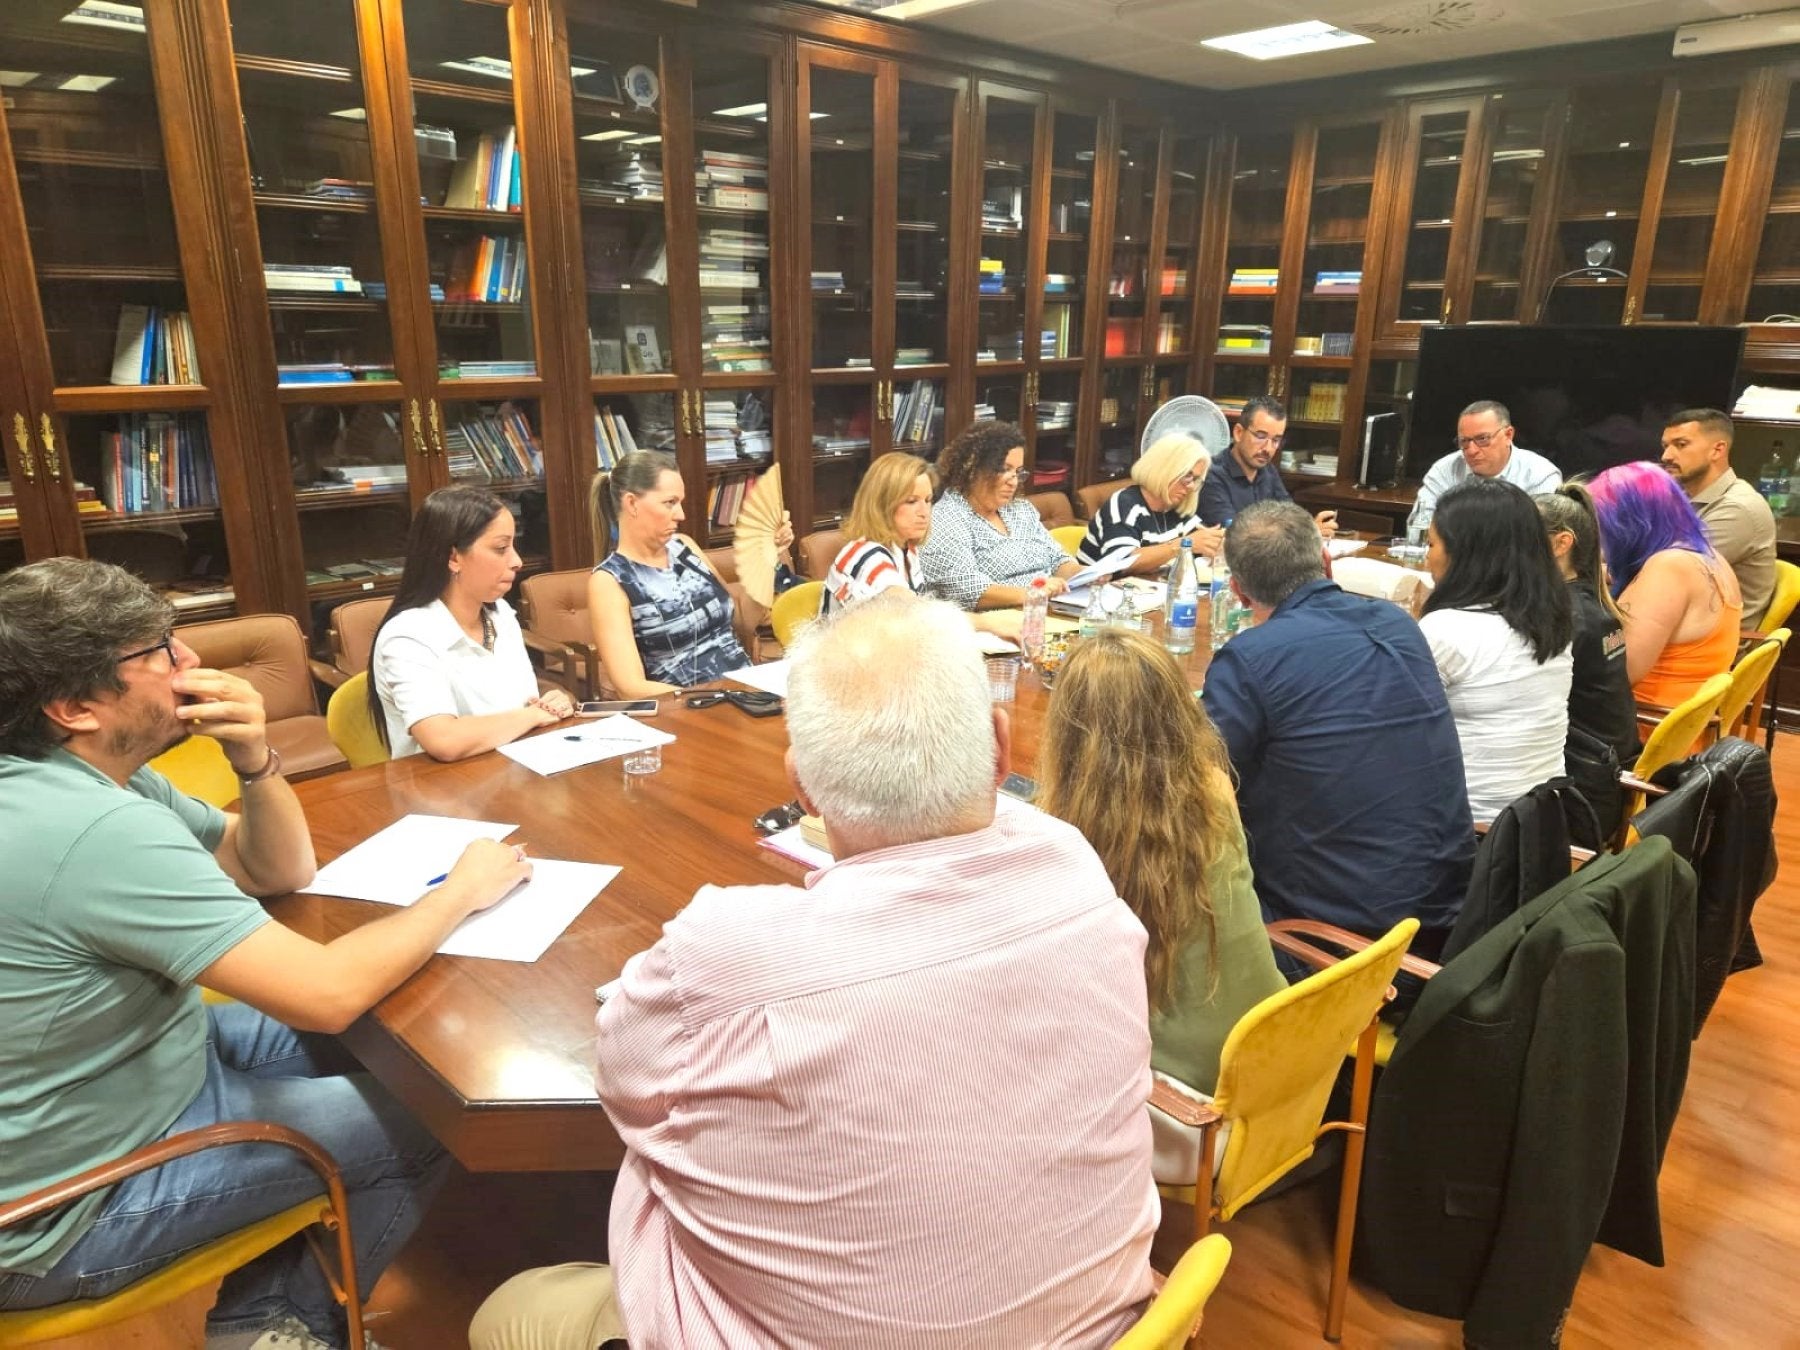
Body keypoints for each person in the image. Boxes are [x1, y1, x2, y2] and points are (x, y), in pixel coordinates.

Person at [470, 594, 1158, 1349]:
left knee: (507, 1311)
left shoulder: (723, 956)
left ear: (802, 788)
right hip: (1105, 1328)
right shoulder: (1073, 868)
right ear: (1000, 746)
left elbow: (631, 1094)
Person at [0, 558, 532, 1350]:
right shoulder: (94, 828)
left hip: (135, 1073)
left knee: (397, 1045)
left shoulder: (90, 778)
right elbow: (324, 992)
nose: (190, 661)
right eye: (160, 651)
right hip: (56, 1213)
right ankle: (277, 1329)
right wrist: (460, 891)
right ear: (75, 706)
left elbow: (276, 870)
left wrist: (254, 758)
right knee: (428, 1113)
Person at [1202, 503, 1474, 952]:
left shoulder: (1250, 657)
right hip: (1447, 921)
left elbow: (1202, 783)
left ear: (1239, 591)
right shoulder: (1399, 624)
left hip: (1331, 942)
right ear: (1326, 563)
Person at [1038, 627, 1284, 1096]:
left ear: (1068, 738)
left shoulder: (1073, 838)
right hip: (1278, 1051)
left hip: (1189, 1102)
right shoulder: (1215, 789)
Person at [369, 485, 573, 759]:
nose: (517, 561)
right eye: (501, 548)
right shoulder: (407, 637)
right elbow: (444, 740)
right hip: (445, 781)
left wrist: (550, 703)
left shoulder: (500, 614)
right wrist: (532, 716)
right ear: (454, 558)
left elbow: (519, 704)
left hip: (515, 765)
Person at [1419, 478, 1574, 822]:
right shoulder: (1552, 614)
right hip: (1541, 818)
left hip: (1468, 825)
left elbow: (1390, 730)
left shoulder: (1447, 629)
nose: (1427, 557)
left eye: (1430, 544)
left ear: (1465, 554)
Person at [588, 450, 791, 696]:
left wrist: (766, 556)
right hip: (687, 706)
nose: (681, 514)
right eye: (669, 503)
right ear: (631, 503)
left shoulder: (684, 546)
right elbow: (631, 687)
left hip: (747, 690)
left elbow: (744, 622)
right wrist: (713, 698)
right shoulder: (609, 581)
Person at [1588, 459, 1744, 708]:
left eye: (1602, 526)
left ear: (1629, 525)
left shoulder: (1667, 568)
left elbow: (1619, 673)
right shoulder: (1704, 554)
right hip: (1684, 718)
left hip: (1647, 720)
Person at [918, 420, 1081, 609]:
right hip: (993, 618)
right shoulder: (947, 518)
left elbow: (1057, 559)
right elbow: (965, 589)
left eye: (1018, 472)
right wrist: (1033, 593)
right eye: (1004, 469)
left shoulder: (1021, 510)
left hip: (1046, 607)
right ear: (972, 467)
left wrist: (1087, 574)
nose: (1014, 482)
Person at [1659, 407, 1777, 628]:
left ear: (1717, 450)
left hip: (1716, 640)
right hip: (1680, 620)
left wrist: (1605, 570)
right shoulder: (1681, 496)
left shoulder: (1738, 509)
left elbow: (1667, 574)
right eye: (1666, 446)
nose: (1667, 456)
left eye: (1681, 445)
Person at [1194, 396, 1338, 538]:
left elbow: (1292, 517)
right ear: (1238, 433)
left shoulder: (1268, 471)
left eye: (1276, 440)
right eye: (1260, 436)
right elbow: (1235, 536)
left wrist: (1310, 529)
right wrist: (1303, 533)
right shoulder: (1211, 474)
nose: (1268, 449)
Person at [1077, 432, 1222, 573]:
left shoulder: (1176, 507)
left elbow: (1203, 544)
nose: (1191, 486)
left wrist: (1218, 544)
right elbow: (1122, 563)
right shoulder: (1124, 504)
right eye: (1187, 475)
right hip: (1093, 587)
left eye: (1196, 479)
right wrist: (1183, 544)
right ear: (1163, 469)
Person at [822, 451, 931, 614]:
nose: (924, 512)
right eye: (911, 501)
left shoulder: (907, 548)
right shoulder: (867, 556)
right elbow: (917, 613)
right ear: (882, 505)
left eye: (928, 500)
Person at [1413, 399, 1562, 514]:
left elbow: (1540, 537)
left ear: (1508, 435)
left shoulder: (1540, 475)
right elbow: (1420, 526)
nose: (1471, 451)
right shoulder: (1444, 470)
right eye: (1464, 441)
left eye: (1482, 439)